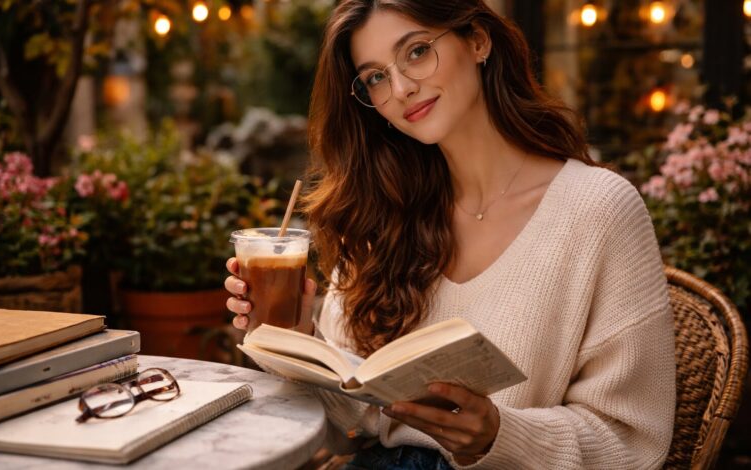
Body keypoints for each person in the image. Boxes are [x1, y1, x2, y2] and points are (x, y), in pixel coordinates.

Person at [225, 0, 676, 468]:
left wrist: (499, 436)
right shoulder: (380, 210)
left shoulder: (599, 210)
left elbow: (632, 441)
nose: (401, 88)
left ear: (478, 41)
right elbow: (351, 428)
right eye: (376, 77)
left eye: (417, 51)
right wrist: (295, 339)